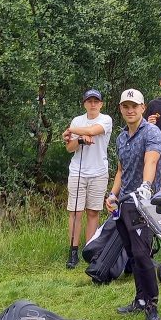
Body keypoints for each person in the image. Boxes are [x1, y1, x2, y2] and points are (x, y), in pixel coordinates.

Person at [106, 88, 161, 320]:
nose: (130, 110)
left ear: (143, 108)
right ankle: (140, 300)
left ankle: (152, 305)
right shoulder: (121, 137)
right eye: (126, 106)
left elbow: (151, 160)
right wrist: (113, 194)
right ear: (121, 109)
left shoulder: (152, 132)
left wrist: (146, 186)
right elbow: (121, 170)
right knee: (133, 255)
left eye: (134, 106)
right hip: (124, 203)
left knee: (142, 254)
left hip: (144, 201)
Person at [62, 89, 113, 268]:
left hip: (99, 171)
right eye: (89, 101)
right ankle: (73, 252)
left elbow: (93, 130)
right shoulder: (77, 120)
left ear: (101, 104)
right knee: (75, 212)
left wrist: (72, 131)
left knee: (93, 212)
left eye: (96, 101)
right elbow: (70, 148)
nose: (93, 104)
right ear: (84, 104)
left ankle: (90, 251)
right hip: (78, 171)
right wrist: (80, 139)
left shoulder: (106, 119)